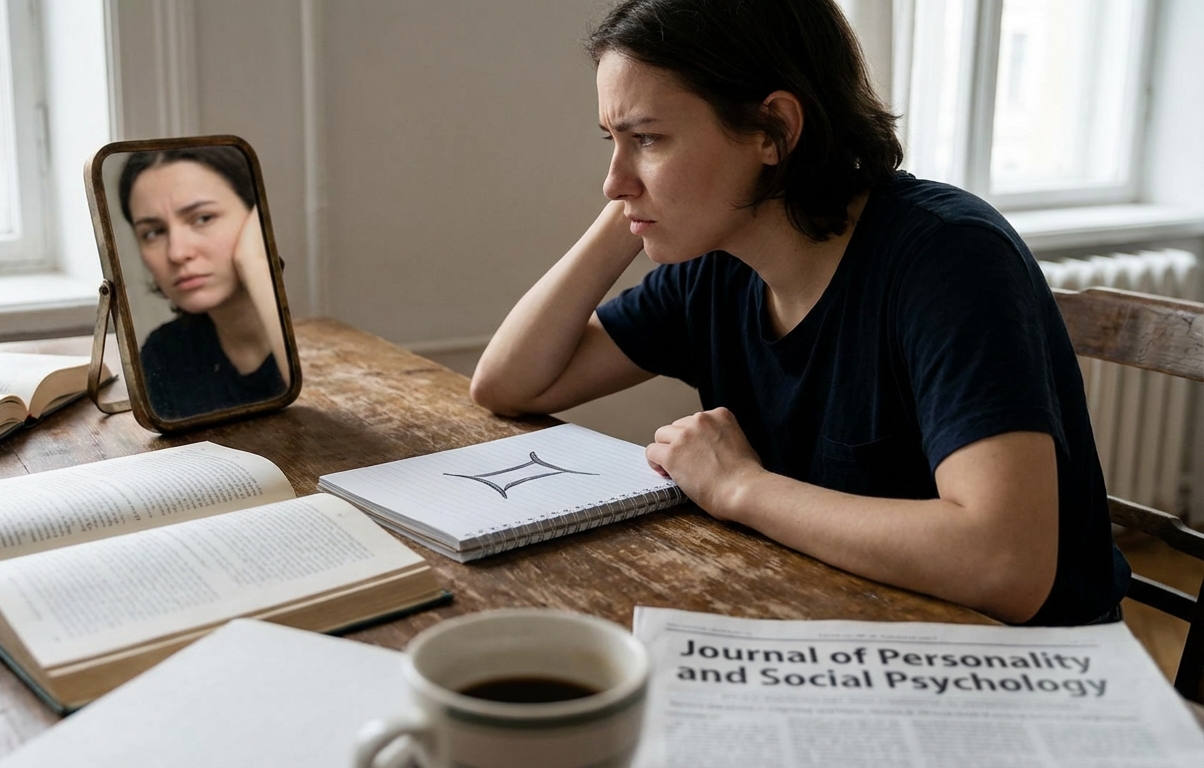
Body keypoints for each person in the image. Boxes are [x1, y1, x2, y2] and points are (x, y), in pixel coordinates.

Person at [470, 0, 1129, 625]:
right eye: (613, 138)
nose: (612, 179)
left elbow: (1006, 564)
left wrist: (738, 487)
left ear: (773, 131)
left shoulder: (948, 258)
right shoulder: (718, 264)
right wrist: (634, 208)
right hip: (835, 623)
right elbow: (511, 383)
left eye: (646, 138)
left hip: (1020, 677)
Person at [118, 147, 289, 420]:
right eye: (153, 232)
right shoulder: (165, 353)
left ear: (256, 221)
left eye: (203, 218)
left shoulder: (324, 339)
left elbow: (333, 434)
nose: (177, 252)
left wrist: (256, 263)